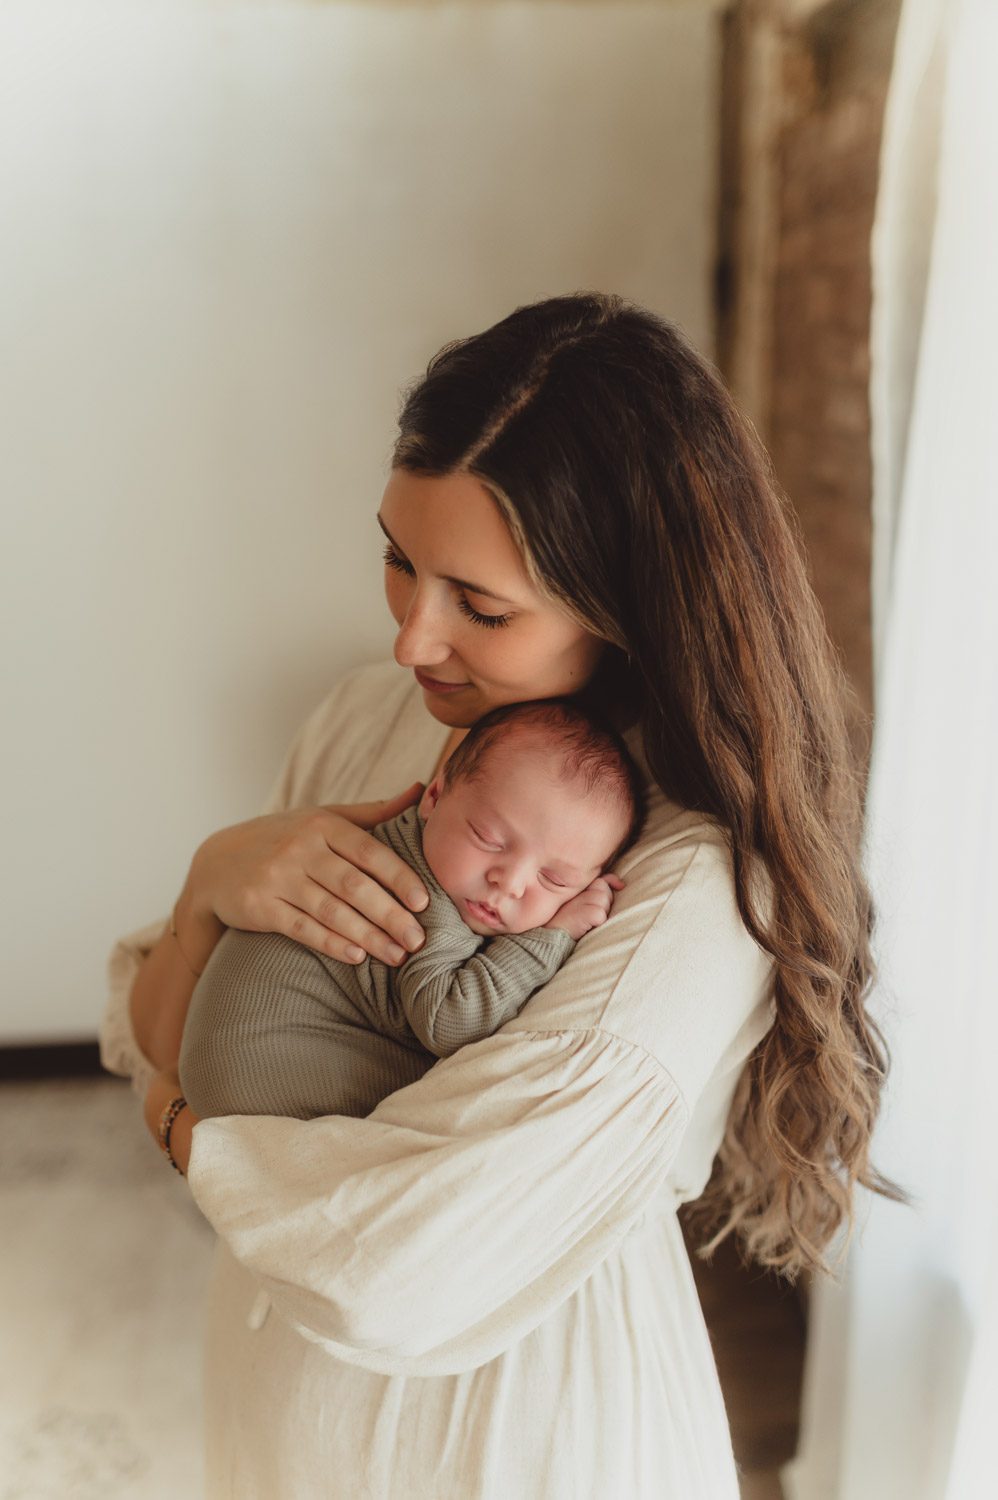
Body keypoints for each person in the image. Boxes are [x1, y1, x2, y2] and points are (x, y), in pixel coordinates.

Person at [100, 291, 905, 1498]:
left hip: (511, 1438)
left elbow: (385, 1271)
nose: (411, 641)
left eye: (479, 606)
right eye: (396, 561)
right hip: (273, 1408)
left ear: (625, 603)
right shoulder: (368, 720)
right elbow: (151, 1027)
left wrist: (180, 1127)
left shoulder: (684, 886)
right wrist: (214, 882)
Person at [178, 697, 645, 1122]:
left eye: (554, 879)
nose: (511, 882)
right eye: (489, 838)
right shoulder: (420, 895)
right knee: (459, 1098)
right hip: (263, 1071)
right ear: (434, 797)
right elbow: (449, 1023)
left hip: (230, 1063)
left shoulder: (429, 857)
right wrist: (551, 937)